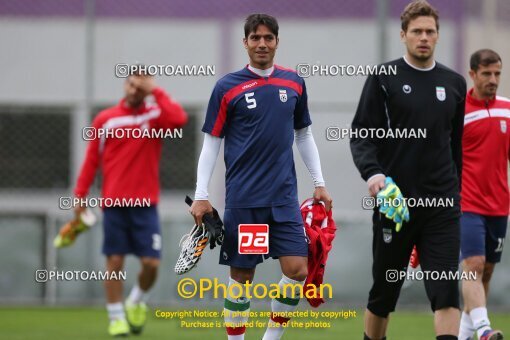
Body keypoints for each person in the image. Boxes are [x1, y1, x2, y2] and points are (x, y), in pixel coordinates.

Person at [189, 13, 332, 340]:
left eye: (269, 38)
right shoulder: (227, 87)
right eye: (256, 38)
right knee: (242, 277)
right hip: (245, 200)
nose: (262, 44)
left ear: (277, 42)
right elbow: (211, 143)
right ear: (245, 43)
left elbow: (304, 135)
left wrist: (319, 182)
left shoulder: (294, 82)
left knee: (297, 271)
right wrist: (201, 194)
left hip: (283, 200)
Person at [350, 1, 466, 339]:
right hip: (395, 205)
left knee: (446, 291)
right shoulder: (383, 78)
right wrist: (375, 176)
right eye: (417, 31)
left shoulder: (455, 84)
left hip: (442, 207)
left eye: (430, 31)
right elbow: (362, 135)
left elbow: (455, 146)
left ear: (438, 36)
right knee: (384, 295)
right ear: (403, 35)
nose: (424, 37)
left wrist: (456, 193)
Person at [74, 68, 188, 336]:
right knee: (114, 261)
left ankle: (135, 301)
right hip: (113, 204)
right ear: (125, 86)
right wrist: (80, 197)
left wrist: (154, 91)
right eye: (132, 84)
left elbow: (180, 119)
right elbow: (92, 161)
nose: (135, 89)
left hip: (146, 204)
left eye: (141, 85)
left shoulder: (155, 115)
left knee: (151, 264)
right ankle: (116, 318)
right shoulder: (105, 119)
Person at [458, 49, 508, 340]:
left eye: (498, 73)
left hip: (499, 205)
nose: (493, 79)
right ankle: (484, 331)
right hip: (467, 202)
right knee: (473, 266)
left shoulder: (507, 108)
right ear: (473, 74)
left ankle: (464, 336)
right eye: (487, 73)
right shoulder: (457, 112)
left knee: (485, 272)